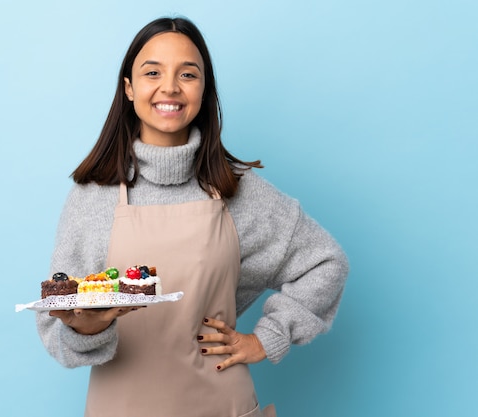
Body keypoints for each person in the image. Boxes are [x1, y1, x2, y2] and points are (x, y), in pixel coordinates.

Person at [36, 16, 349, 417]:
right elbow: (58, 328)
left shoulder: (238, 191)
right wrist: (89, 326)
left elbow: (325, 261)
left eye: (188, 73)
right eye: (153, 72)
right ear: (129, 88)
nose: (170, 87)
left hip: (223, 405)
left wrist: (267, 338)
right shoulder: (92, 197)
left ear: (203, 90)